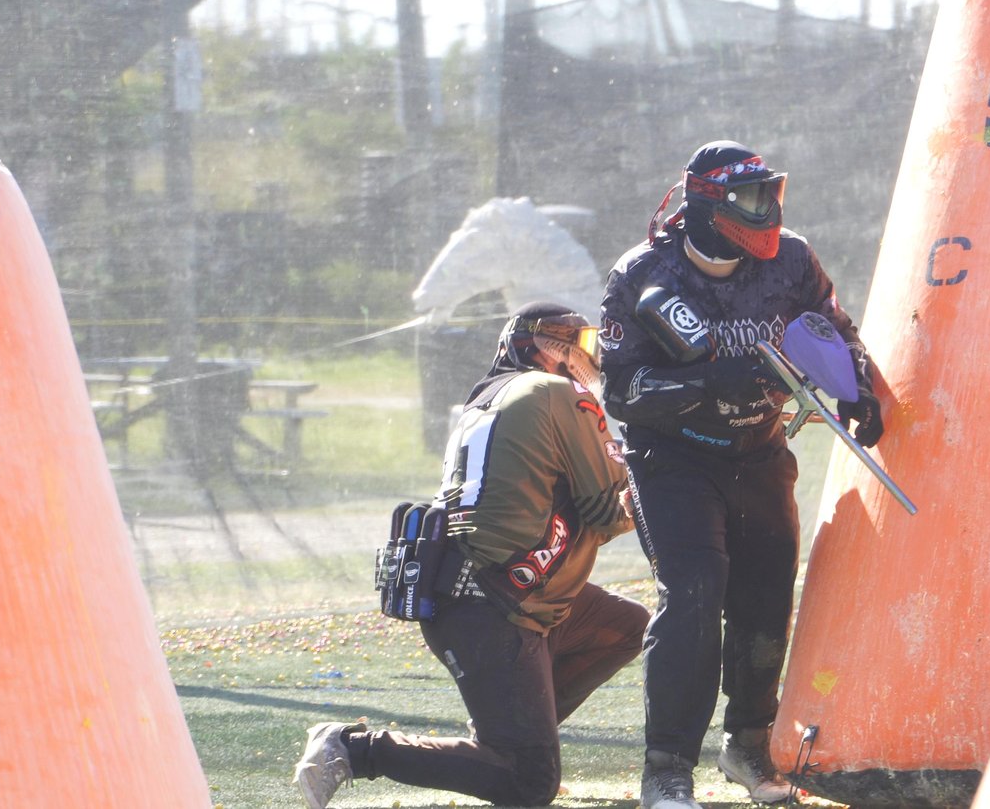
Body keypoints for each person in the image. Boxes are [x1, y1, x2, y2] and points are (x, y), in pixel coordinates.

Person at [599, 141, 885, 809]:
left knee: (765, 598)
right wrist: (708, 381)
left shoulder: (792, 260)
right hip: (671, 460)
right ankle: (667, 768)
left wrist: (860, 389)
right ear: (705, 204)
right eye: (752, 199)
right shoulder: (642, 273)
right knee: (695, 592)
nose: (768, 213)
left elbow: (835, 328)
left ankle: (748, 745)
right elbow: (621, 392)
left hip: (757, 451)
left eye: (771, 196)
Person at [293, 302, 650, 809]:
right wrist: (659, 474)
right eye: (581, 343)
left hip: (480, 595)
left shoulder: (484, 402)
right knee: (529, 783)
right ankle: (354, 748)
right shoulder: (556, 390)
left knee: (626, 626)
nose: (590, 357)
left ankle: (506, 731)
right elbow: (608, 511)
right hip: (496, 607)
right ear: (546, 347)